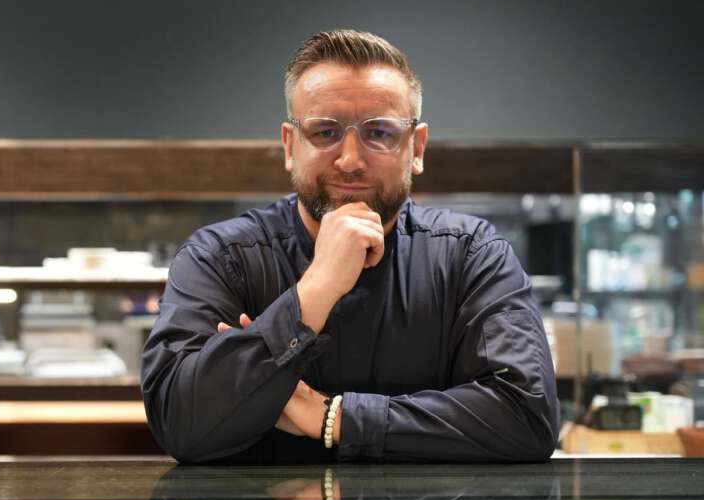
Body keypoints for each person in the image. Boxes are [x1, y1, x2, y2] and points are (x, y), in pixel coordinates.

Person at [141, 30, 560, 464]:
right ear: (290, 146)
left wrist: (331, 416)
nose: (350, 160)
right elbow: (181, 424)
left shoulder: (471, 255)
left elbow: (526, 417)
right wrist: (316, 290)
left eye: (379, 132)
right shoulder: (220, 257)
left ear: (416, 148)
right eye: (325, 132)